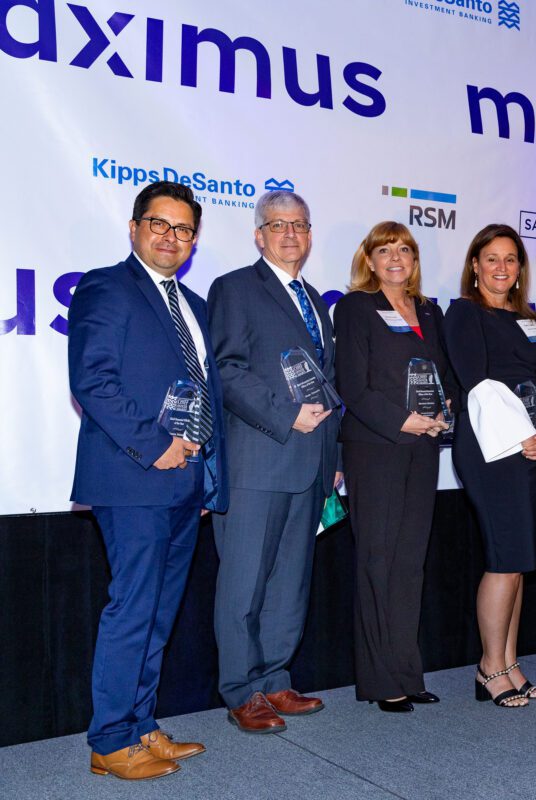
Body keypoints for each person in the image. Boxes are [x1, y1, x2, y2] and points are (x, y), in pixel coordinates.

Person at [69, 181, 226, 780]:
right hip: (134, 476)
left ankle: (139, 724)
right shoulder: (107, 286)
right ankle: (109, 740)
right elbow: (93, 380)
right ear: (135, 228)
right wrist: (157, 447)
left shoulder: (193, 303)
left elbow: (205, 392)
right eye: (160, 225)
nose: (172, 237)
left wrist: (205, 474)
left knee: (160, 611)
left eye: (184, 229)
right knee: (133, 607)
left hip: (186, 484)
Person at [207, 190, 341, 733]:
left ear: (310, 235)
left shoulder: (315, 299)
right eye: (278, 225)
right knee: (243, 582)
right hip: (258, 460)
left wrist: (333, 458)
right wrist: (286, 416)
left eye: (300, 225)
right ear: (259, 234)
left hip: (311, 463)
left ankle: (276, 680)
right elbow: (227, 369)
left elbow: (327, 385)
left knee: (290, 582)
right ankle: (241, 690)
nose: (291, 234)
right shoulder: (235, 288)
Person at [443, 223, 536, 709]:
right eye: (491, 258)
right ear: (475, 266)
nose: (501, 268)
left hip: (534, 450)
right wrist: (524, 437)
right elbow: (476, 382)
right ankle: (488, 668)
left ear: (520, 269)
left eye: (510, 259)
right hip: (492, 448)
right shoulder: (463, 314)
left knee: (520, 559)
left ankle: (510, 663)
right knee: (503, 556)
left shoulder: (529, 319)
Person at [334, 221, 456, 713]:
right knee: (377, 562)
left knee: (410, 564)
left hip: (423, 449)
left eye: (404, 248)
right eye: (384, 250)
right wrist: (404, 421)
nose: (395, 257)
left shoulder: (429, 310)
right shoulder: (357, 308)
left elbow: (444, 375)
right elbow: (353, 385)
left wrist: (444, 410)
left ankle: (409, 671)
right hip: (377, 447)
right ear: (369, 259)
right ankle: (380, 679)